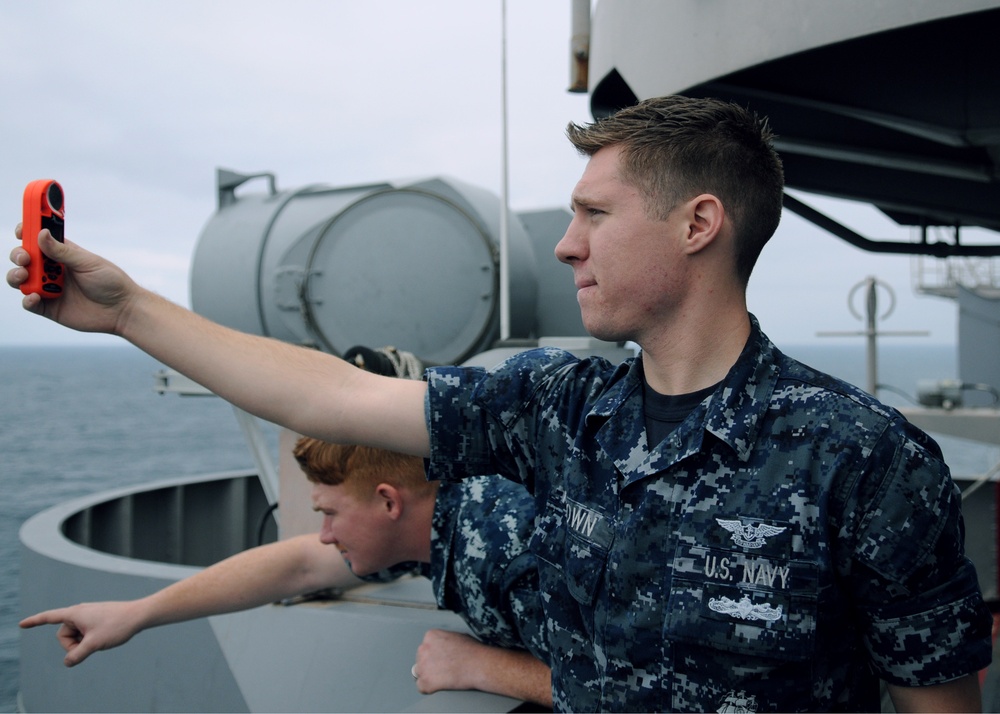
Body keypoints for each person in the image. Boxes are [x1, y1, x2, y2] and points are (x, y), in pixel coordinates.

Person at [9, 94, 993, 711]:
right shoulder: (557, 409)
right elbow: (339, 397)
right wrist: (131, 309)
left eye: (594, 215)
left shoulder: (862, 458)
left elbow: (935, 704)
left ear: (698, 224)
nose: (564, 245)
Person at [20, 437, 552, 708]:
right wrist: (136, 614)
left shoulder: (507, 551)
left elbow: (625, 689)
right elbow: (298, 564)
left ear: (388, 502)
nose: (324, 534)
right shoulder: (434, 515)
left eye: (329, 514)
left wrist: (481, 667)